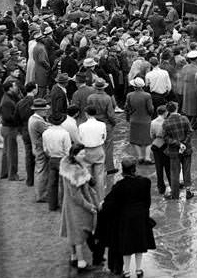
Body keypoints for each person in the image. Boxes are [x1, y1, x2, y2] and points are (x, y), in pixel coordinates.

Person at [101, 156, 156, 278]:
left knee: (127, 247)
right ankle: (139, 270)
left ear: (122, 170)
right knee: (139, 245)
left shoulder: (119, 186)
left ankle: (126, 271)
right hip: (140, 217)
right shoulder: (145, 182)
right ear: (134, 168)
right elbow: (148, 203)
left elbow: (109, 205)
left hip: (125, 220)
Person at [59, 143, 100, 272]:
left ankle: (73, 258)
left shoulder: (68, 166)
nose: (84, 156)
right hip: (77, 207)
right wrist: (90, 206)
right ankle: (81, 263)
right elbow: (76, 196)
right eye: (81, 154)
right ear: (74, 155)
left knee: (72, 231)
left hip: (69, 204)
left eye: (84, 153)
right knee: (79, 235)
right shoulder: (75, 172)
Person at [162, 101, 194, 200]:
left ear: (168, 110)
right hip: (186, 150)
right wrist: (184, 143)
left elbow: (166, 138)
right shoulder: (184, 119)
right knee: (186, 171)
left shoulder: (166, 122)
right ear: (177, 108)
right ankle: (188, 192)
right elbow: (190, 132)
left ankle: (175, 195)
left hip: (173, 151)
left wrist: (178, 143)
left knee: (174, 172)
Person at [42, 111, 72, 211]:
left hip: (52, 158)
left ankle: (52, 205)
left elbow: (45, 149)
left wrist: (50, 155)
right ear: (62, 121)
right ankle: (64, 205)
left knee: (52, 183)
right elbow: (68, 150)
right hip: (63, 159)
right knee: (64, 184)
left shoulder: (46, 133)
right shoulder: (65, 133)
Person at [87, 78, 117, 174]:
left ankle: (96, 166)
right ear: (104, 87)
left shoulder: (90, 97)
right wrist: (113, 123)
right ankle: (109, 168)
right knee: (108, 146)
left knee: (96, 145)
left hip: (94, 123)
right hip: (106, 124)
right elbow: (111, 114)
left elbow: (88, 110)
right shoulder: (107, 98)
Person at [78, 105, 107, 200]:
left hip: (86, 151)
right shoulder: (102, 125)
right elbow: (104, 137)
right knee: (99, 176)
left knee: (87, 176)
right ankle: (100, 198)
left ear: (86, 114)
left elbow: (79, 139)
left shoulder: (81, 126)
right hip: (98, 149)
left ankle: (89, 198)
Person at [126, 77, 154, 163]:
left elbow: (126, 107)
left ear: (134, 86)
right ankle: (147, 158)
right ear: (142, 86)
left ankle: (140, 157)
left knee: (135, 140)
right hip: (146, 120)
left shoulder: (129, 95)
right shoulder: (147, 95)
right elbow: (150, 109)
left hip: (134, 120)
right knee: (148, 140)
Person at [28, 98, 51, 202]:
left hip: (36, 147)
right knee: (42, 172)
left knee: (40, 171)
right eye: (44, 109)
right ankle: (41, 195)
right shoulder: (38, 122)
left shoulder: (33, 119)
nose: (46, 110)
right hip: (40, 149)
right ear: (38, 110)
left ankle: (41, 193)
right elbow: (49, 130)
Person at [0, 80, 22, 180]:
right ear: (10, 88)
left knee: (6, 152)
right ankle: (12, 175)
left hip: (6, 128)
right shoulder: (8, 101)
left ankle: (4, 173)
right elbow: (8, 117)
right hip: (9, 128)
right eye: (14, 86)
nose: (16, 87)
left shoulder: (7, 98)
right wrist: (17, 118)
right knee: (12, 152)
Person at [16, 81, 37, 186]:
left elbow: (16, 119)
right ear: (34, 90)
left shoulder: (20, 103)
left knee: (28, 155)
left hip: (25, 131)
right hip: (35, 132)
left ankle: (30, 180)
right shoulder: (36, 102)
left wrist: (21, 130)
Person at [150, 105, 171, 195]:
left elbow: (151, 135)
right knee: (168, 167)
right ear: (165, 112)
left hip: (156, 146)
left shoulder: (153, 122)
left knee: (159, 168)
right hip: (166, 146)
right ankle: (172, 185)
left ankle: (161, 188)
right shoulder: (167, 122)